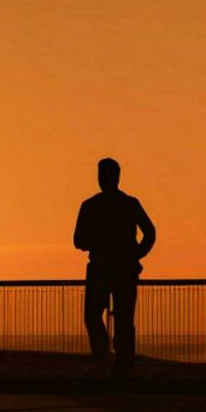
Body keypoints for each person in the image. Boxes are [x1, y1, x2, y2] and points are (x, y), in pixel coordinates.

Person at [73, 157, 154, 378]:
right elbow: (150, 232)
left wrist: (133, 254)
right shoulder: (125, 204)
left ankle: (109, 361)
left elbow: (79, 240)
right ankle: (116, 362)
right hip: (116, 269)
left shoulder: (93, 206)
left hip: (107, 269)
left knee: (106, 316)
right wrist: (134, 253)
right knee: (119, 318)